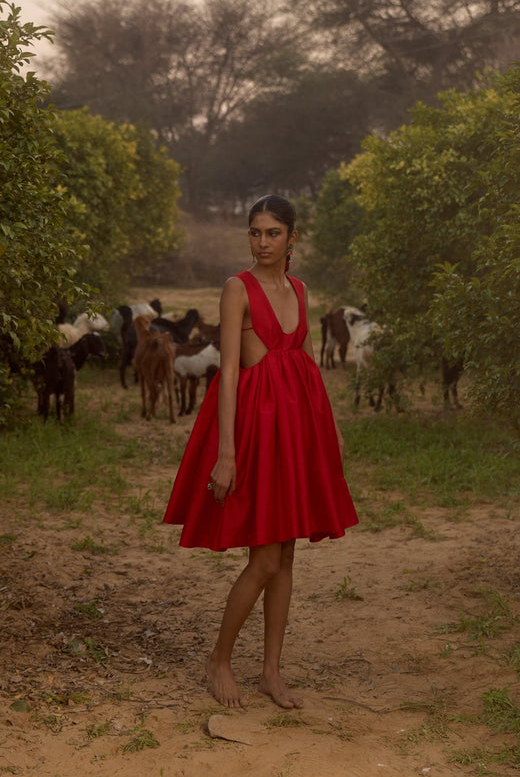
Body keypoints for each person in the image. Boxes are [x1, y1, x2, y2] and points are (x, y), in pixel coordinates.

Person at [164, 195, 358, 709]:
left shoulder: (300, 288)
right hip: (256, 429)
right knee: (265, 555)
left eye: (273, 233)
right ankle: (219, 659)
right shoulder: (237, 289)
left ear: (292, 237)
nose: (263, 242)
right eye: (255, 232)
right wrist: (226, 452)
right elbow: (228, 372)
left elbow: (307, 365)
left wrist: (329, 429)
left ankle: (271, 670)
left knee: (287, 550)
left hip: (299, 428)